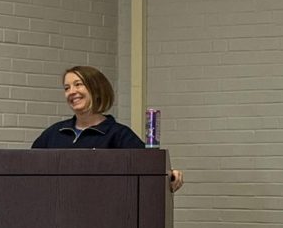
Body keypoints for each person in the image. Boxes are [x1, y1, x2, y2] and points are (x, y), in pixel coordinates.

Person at [32, 65, 184, 192]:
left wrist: (170, 175)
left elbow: (149, 168)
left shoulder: (118, 135)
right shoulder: (54, 133)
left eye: (78, 84)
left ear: (96, 89)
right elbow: (29, 168)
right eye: (67, 88)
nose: (71, 92)